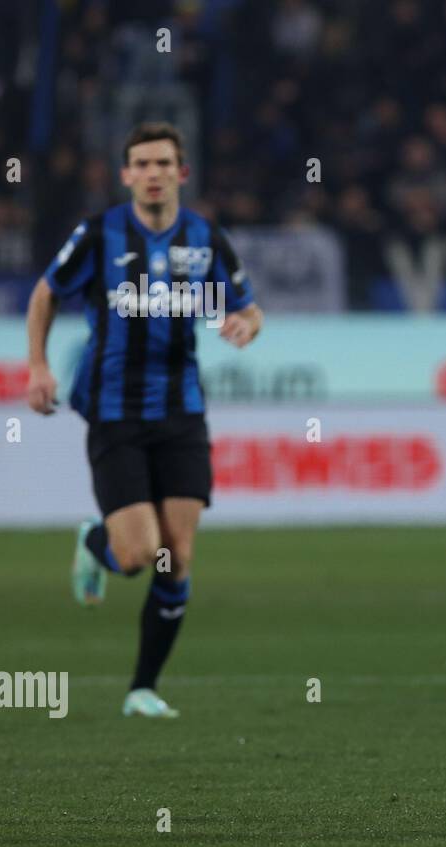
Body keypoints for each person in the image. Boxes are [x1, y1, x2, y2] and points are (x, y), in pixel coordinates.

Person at [25, 122, 264, 718]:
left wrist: (245, 326)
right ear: (126, 174)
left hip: (182, 414)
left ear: (182, 173)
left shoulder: (205, 239)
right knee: (139, 556)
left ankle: (142, 689)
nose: (153, 173)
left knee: (177, 557)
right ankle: (98, 542)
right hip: (115, 415)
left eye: (163, 163)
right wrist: (36, 365)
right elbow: (45, 293)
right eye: (141, 163)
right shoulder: (100, 234)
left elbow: (248, 307)